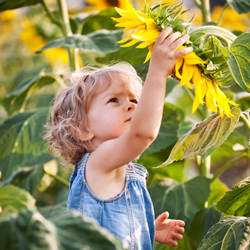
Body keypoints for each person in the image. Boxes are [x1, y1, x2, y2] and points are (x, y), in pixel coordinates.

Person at [44, 27, 192, 249]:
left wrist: (146, 228)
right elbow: (143, 133)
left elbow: (109, 224)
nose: (132, 105)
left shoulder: (114, 168)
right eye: (114, 100)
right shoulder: (98, 161)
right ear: (83, 129)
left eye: (134, 99)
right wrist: (158, 70)